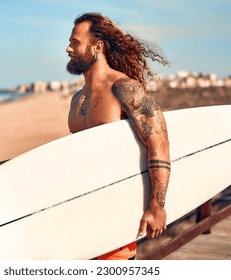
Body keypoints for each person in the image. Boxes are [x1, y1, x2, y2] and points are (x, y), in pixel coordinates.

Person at [66, 13, 171, 260]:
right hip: (83, 212)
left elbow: (159, 143)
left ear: (97, 46)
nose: (68, 48)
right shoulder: (76, 99)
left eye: (75, 42)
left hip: (117, 211)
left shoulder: (124, 88)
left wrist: (157, 207)